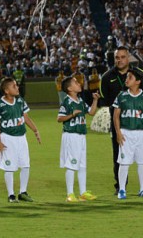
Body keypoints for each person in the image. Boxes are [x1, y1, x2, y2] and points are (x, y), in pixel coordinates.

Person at [99, 46, 143, 194]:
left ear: (128, 58)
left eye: (122, 57)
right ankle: (120, 187)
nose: (119, 60)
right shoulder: (106, 77)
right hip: (119, 122)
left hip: (139, 122)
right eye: (117, 58)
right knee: (118, 155)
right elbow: (106, 99)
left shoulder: (141, 75)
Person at [0, 77, 41, 203]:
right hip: (7, 138)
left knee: (25, 165)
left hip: (21, 137)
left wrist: (35, 131)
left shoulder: (20, 101)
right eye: (14, 86)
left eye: (16, 85)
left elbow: (26, 118)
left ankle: (23, 192)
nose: (17, 87)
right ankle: (11, 195)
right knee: (10, 167)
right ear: (6, 90)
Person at [113, 68, 143, 199]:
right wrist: (118, 133)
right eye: (126, 77)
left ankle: (142, 189)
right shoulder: (122, 96)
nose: (126, 79)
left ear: (137, 81)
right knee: (124, 162)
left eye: (129, 77)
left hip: (142, 133)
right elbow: (116, 116)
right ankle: (121, 190)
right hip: (126, 133)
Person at [58, 75, 99, 203]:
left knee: (82, 165)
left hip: (81, 136)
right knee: (72, 164)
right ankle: (70, 194)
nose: (79, 83)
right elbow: (59, 118)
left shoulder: (80, 100)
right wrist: (71, 115)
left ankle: (83, 192)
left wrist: (95, 101)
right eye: (75, 82)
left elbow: (91, 112)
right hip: (71, 135)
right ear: (70, 88)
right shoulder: (67, 101)